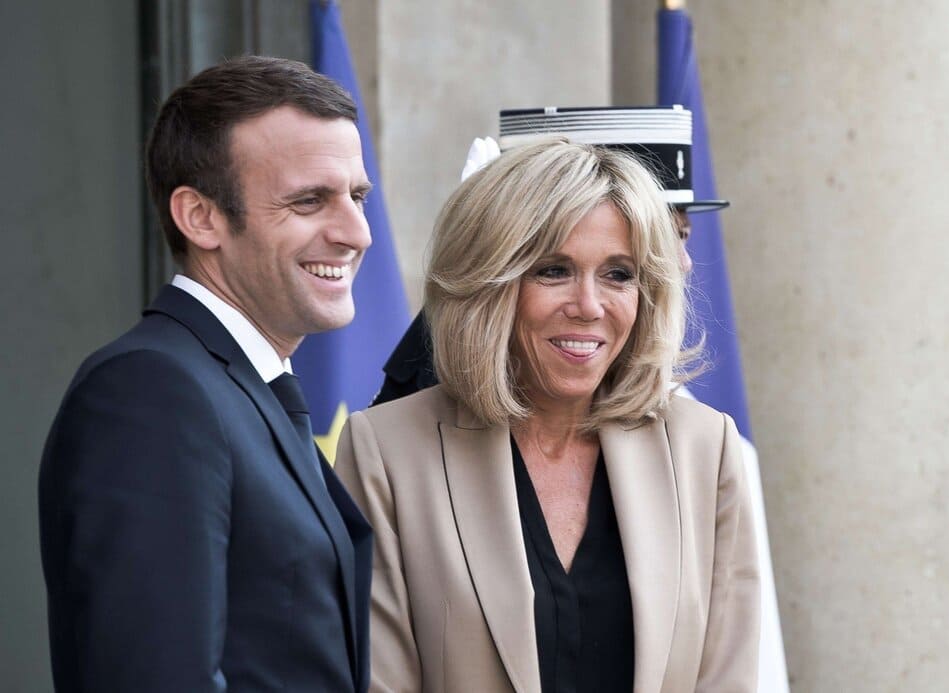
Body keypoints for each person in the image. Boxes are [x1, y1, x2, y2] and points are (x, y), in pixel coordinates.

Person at [336, 139, 760, 692]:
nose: (589, 305)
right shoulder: (387, 451)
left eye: (618, 274)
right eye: (554, 270)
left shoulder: (705, 446)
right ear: (487, 284)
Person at [39, 56, 373, 692]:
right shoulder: (150, 391)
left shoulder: (238, 389)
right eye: (309, 200)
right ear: (200, 216)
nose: (356, 233)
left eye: (357, 196)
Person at [372, 105, 727, 406]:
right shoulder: (400, 432)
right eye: (555, 270)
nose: (683, 262)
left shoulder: (698, 437)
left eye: (619, 273)